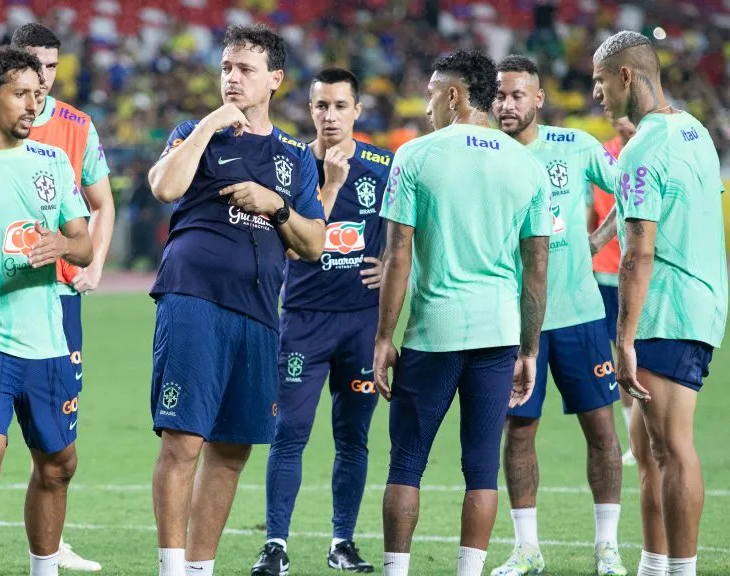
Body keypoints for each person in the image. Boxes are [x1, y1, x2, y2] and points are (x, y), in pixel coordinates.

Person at [0, 24, 113, 572]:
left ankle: (44, 566)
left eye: (39, 93)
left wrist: (65, 245)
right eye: (22, 93)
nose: (36, 104)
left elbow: (82, 242)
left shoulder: (54, 163)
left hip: (47, 334)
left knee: (59, 464)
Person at [148, 23, 325, 576]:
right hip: (193, 296)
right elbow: (164, 186)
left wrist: (275, 205)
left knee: (232, 448)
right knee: (183, 439)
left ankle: (200, 568)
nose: (232, 78)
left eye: (245, 69)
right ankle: (172, 568)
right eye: (226, 68)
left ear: (275, 78)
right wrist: (207, 125)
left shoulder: (295, 155)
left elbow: (314, 242)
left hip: (257, 312)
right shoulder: (195, 131)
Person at [372, 49, 551, 576]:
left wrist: (384, 337)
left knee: (406, 463)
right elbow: (536, 267)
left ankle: (396, 572)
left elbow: (398, 254)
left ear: (453, 95)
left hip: (435, 331)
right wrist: (529, 348)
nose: (426, 104)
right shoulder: (526, 164)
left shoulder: (415, 156)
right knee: (480, 470)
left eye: (431, 92)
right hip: (497, 333)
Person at [591, 30, 727, 576]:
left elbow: (639, 252)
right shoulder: (693, 130)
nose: (597, 94)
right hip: (698, 301)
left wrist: (622, 338)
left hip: (668, 310)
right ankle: (653, 563)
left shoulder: (644, 148)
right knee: (648, 452)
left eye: (601, 81)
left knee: (671, 448)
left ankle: (680, 570)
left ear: (626, 75)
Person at [490, 55, 627, 576]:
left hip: (580, 315)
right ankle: (528, 548)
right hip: (514, 320)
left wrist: (599, 237)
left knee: (601, 429)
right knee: (519, 431)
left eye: (518, 95)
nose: (508, 104)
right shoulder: (485, 156)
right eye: (501, 95)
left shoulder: (576, 146)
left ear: (539, 99)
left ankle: (607, 547)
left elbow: (630, 190)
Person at [252, 67, 391, 576]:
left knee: (353, 436)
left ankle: (342, 541)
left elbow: (414, 229)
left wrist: (398, 266)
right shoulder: (287, 165)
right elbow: (292, 242)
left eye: (339, 106)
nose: (329, 116)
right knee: (289, 431)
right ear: (309, 110)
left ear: (358, 110)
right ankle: (275, 544)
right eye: (320, 106)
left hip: (361, 323)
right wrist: (329, 185)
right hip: (304, 322)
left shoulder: (384, 165)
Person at [589, 114, 638, 467]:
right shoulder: (602, 156)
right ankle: (634, 438)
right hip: (604, 273)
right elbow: (592, 212)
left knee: (641, 355)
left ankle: (648, 433)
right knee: (617, 357)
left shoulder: (651, 155)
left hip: (639, 271)